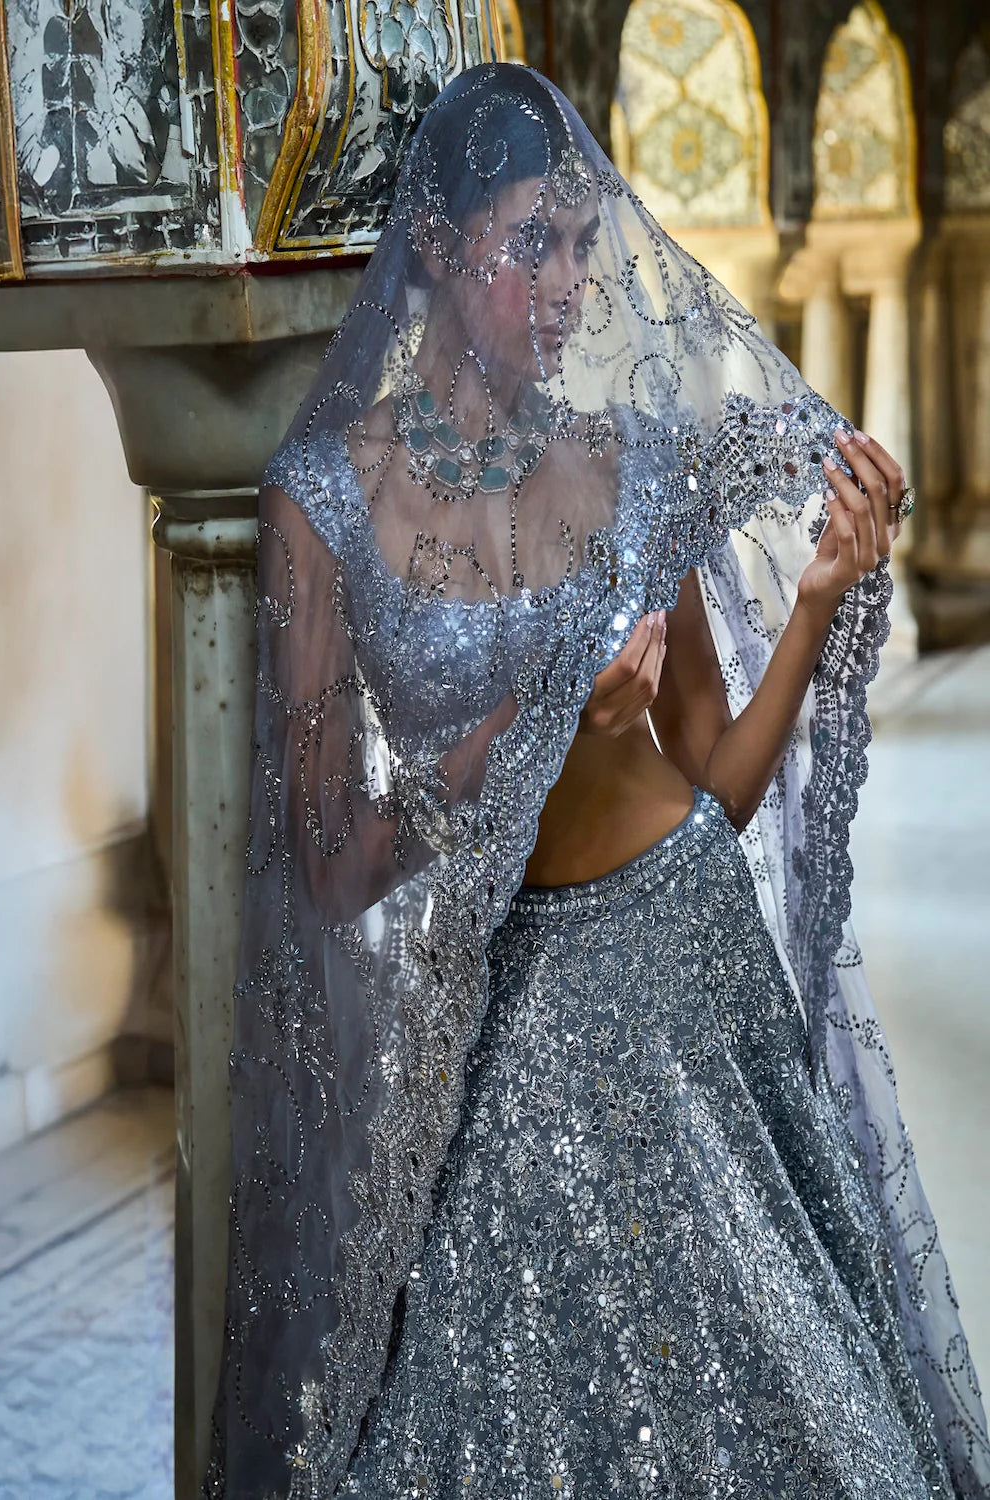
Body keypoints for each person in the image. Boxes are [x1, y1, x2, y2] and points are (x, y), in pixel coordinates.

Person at [202, 63, 990, 1499]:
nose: (571, 285)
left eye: (581, 243)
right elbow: (328, 863)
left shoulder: (627, 463)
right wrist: (515, 740)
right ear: (438, 246)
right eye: (535, 244)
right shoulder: (319, 505)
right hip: (512, 1017)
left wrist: (817, 599)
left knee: (809, 1417)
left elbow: (716, 782)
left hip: (695, 971)